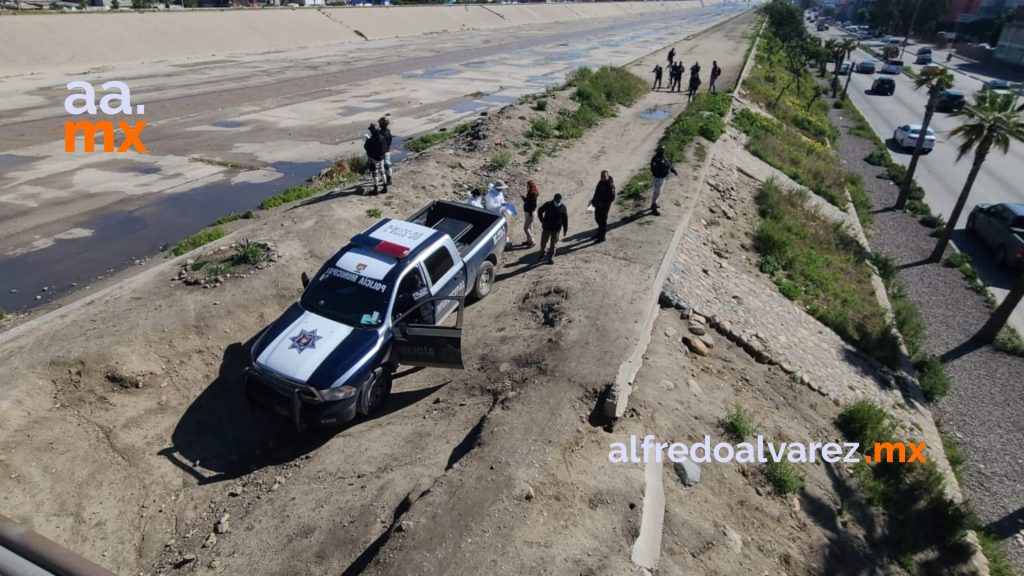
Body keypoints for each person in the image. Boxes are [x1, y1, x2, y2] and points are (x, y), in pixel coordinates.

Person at [537, 193, 568, 264]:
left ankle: (550, 258)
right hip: (547, 228)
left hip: (556, 229)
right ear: (554, 199)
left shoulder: (563, 207)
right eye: (557, 200)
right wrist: (542, 221)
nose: (558, 201)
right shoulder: (548, 204)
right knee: (543, 242)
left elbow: (565, 219)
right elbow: (540, 211)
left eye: (559, 200)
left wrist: (565, 230)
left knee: (553, 244)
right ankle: (542, 253)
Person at [649, 146, 678, 216]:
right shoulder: (656, 159)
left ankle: (654, 203)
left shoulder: (663, 157)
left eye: (663, 150)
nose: (663, 151)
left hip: (662, 177)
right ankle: (653, 207)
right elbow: (653, 169)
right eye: (662, 150)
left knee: (659, 192)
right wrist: (663, 169)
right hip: (657, 177)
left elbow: (668, 164)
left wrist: (672, 169)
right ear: (659, 150)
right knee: (657, 192)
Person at [590, 171, 616, 243]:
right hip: (597, 204)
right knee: (597, 219)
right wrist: (593, 200)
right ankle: (599, 233)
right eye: (602, 176)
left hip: (604, 207)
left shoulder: (610, 185)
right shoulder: (600, 182)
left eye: (604, 176)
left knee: (602, 221)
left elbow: (612, 197)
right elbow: (597, 192)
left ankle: (602, 237)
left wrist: (603, 203)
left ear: (608, 176)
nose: (603, 178)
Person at [363, 124, 388, 194]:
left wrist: (367, 140)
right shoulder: (382, 137)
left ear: (372, 131)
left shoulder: (372, 139)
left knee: (375, 174)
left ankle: (376, 189)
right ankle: (385, 187)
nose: (370, 131)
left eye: (371, 130)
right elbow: (385, 148)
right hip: (381, 158)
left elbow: (366, 147)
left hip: (374, 158)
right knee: (382, 172)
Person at [521, 180, 539, 248]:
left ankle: (532, 242)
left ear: (531, 186)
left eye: (528, 186)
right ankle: (528, 241)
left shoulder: (533, 194)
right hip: (527, 212)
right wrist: (524, 199)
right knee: (529, 228)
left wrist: (530, 212)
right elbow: (528, 201)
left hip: (530, 213)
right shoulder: (530, 192)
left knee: (525, 228)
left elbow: (533, 205)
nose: (526, 187)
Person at [378, 116, 394, 185]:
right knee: (387, 164)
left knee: (385, 165)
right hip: (387, 149)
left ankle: (388, 179)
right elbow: (389, 141)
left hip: (382, 151)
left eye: (380, 123)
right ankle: (387, 177)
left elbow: (379, 142)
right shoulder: (388, 132)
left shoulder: (382, 133)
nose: (379, 124)